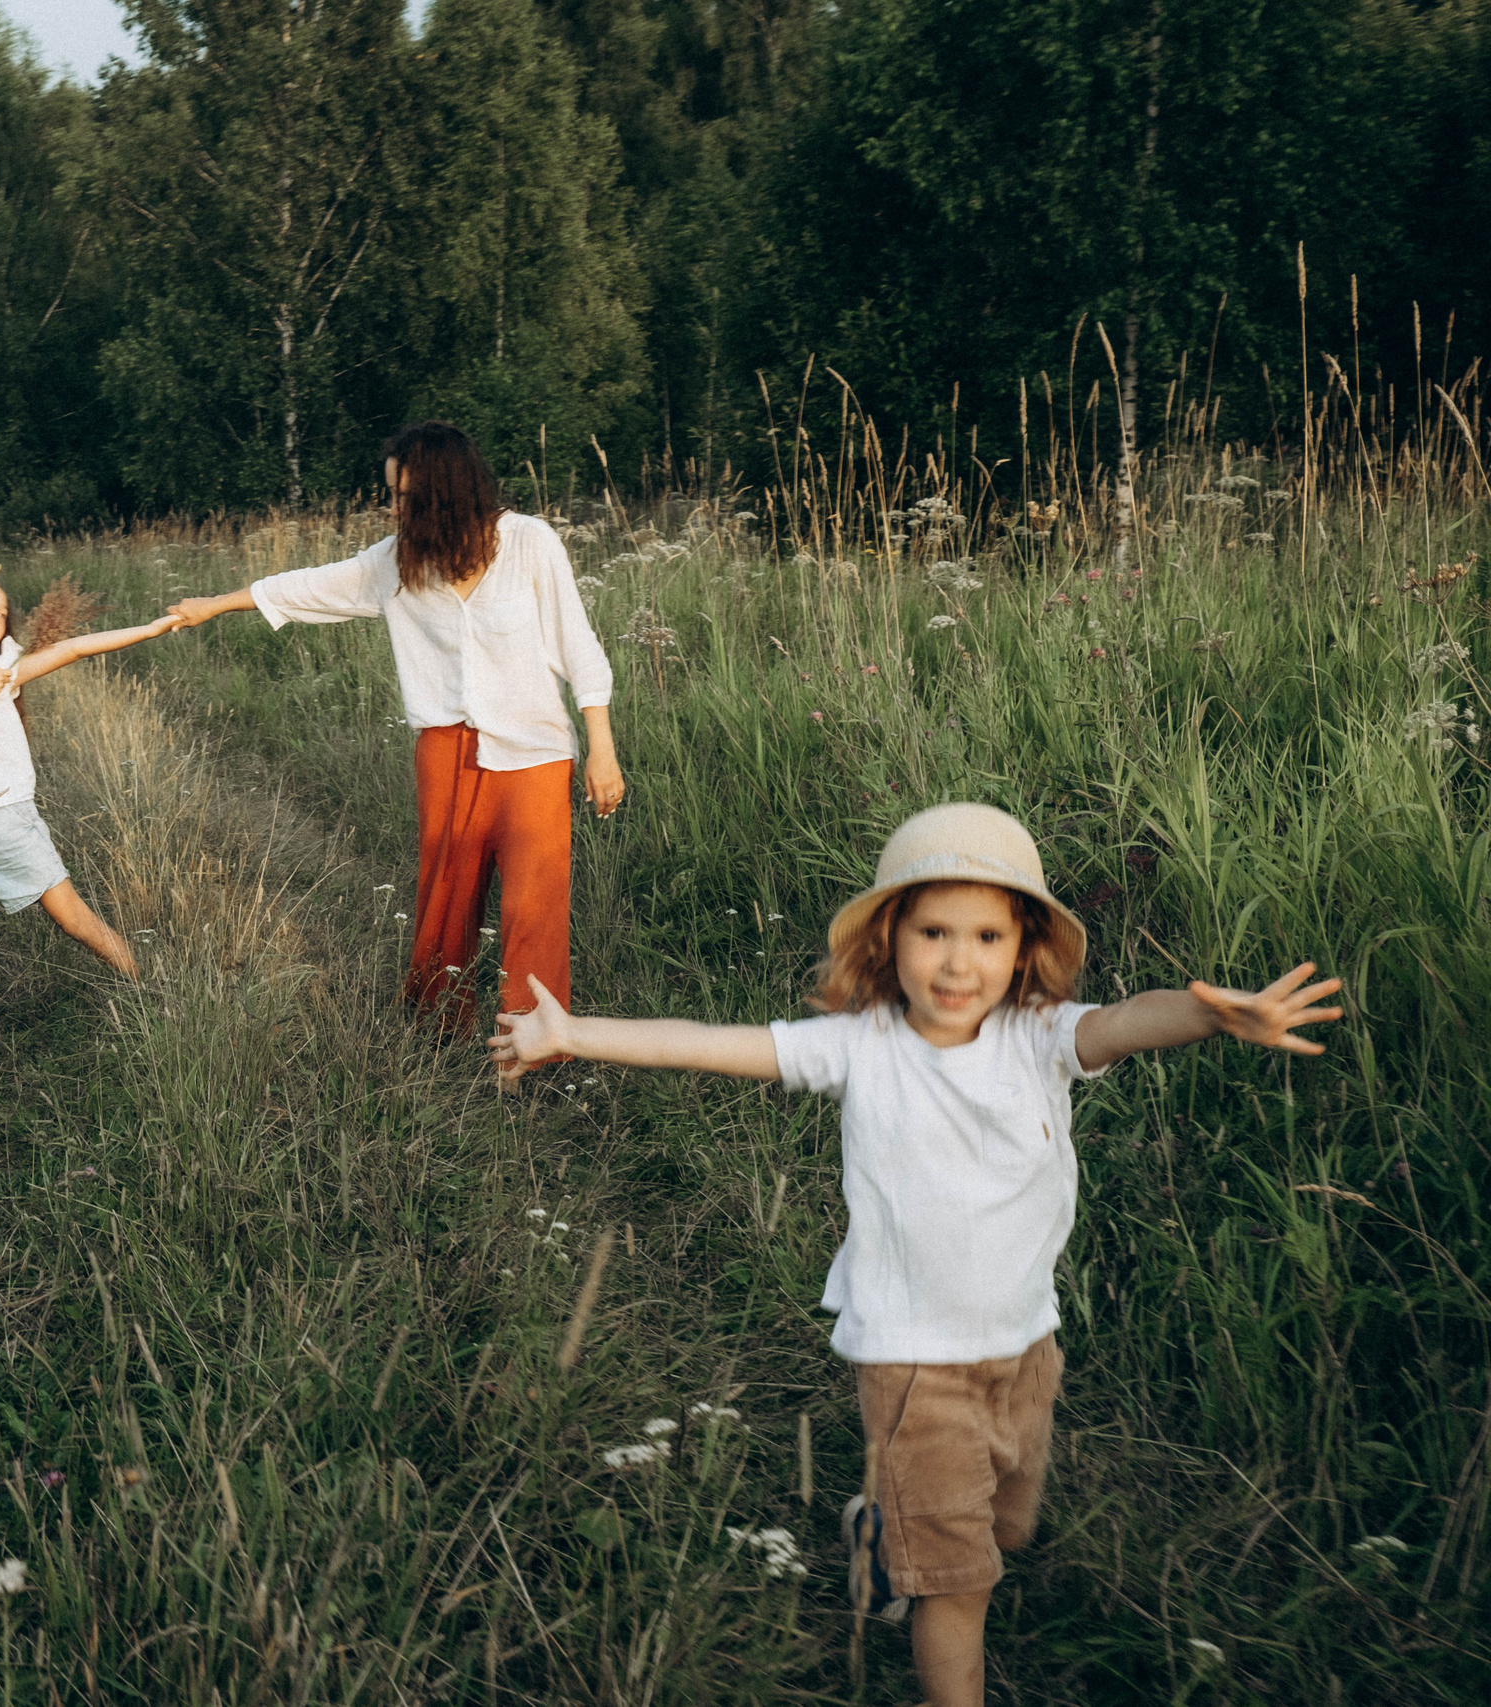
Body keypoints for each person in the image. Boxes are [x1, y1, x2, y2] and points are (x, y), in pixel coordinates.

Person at [486, 802, 1341, 1707]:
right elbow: (715, 1044)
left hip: (1025, 1346)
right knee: (959, 1580)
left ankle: (878, 1529)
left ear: (1024, 947)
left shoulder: (1040, 1037)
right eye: (934, 930)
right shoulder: (862, 1048)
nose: (959, 960)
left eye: (986, 934)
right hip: (911, 1361)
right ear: (891, 937)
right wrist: (574, 1033)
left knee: (1006, 1530)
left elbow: (1128, 1021)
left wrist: (1212, 1017)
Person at [167, 421, 623, 1051]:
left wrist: (602, 748)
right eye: (392, 496)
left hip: (536, 754)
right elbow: (307, 586)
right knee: (446, 894)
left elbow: (580, 648)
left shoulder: (530, 544)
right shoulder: (395, 563)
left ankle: (533, 1052)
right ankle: (439, 1028)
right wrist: (212, 605)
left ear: (448, 491)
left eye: (405, 497)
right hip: (446, 752)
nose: (393, 510)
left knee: (534, 908)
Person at [0, 563, 180, 1092]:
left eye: (3, 612)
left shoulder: (5, 670)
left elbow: (74, 649)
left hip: (3, 817)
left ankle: (156, 991)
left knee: (72, 918)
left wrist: (151, 628)